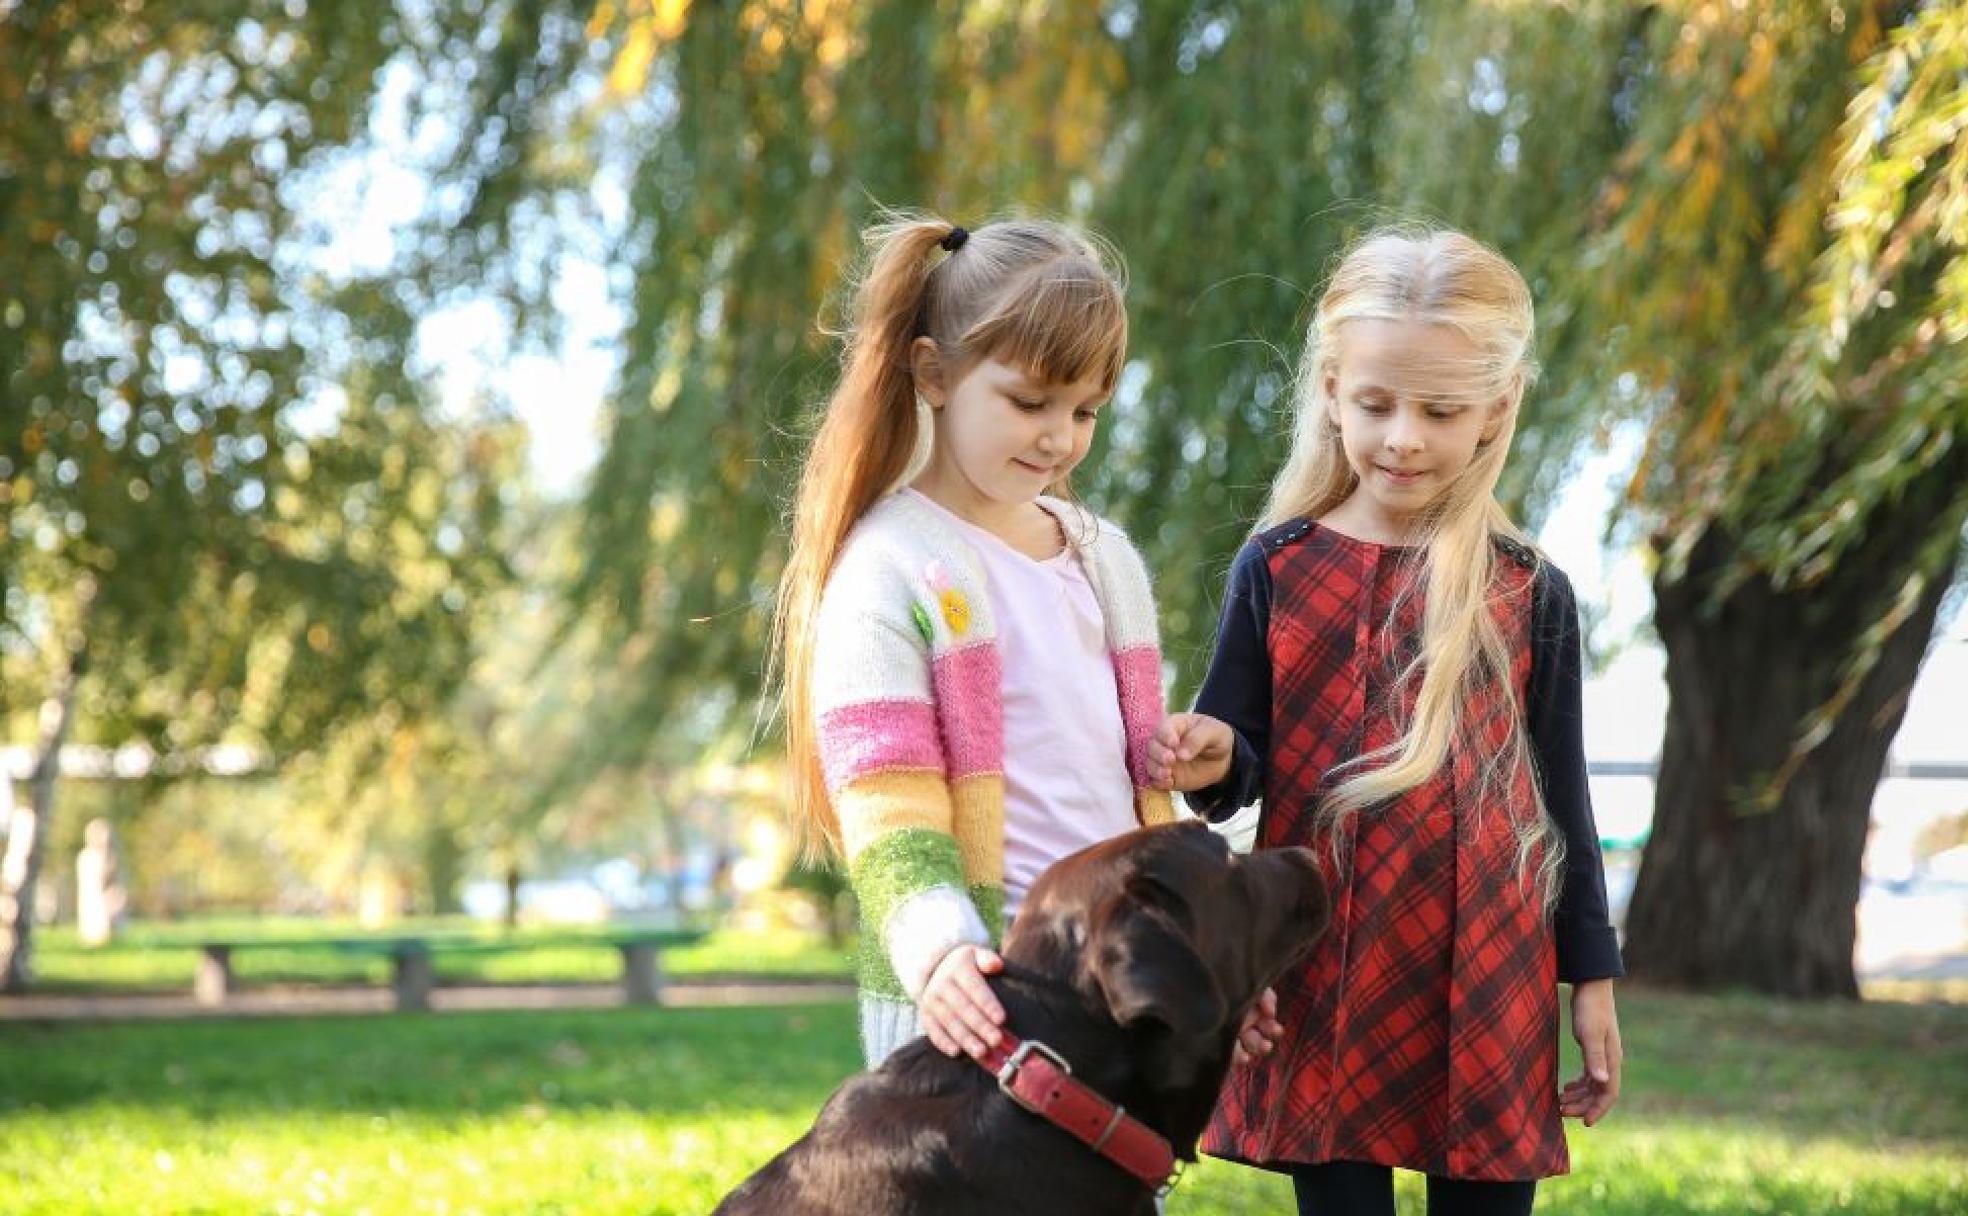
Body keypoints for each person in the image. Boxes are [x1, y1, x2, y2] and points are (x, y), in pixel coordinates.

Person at [1149, 227, 1625, 1216]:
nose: (1403, 436)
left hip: (1492, 967)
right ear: (1331, 391)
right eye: (1376, 404)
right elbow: (1236, 761)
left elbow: (1562, 801)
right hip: (1324, 961)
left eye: (1440, 410)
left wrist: (1592, 976)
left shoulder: (1528, 590)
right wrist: (1209, 752)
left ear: (1495, 411)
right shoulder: (1275, 569)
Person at [774, 211, 1193, 1068]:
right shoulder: (889, 567)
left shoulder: (1103, 558)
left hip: (1117, 980)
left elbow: (1128, 781)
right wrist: (940, 952)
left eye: (1085, 409)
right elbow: (887, 806)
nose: (1059, 436)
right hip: (987, 996)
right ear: (933, 373)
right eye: (1029, 401)